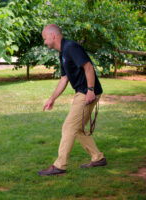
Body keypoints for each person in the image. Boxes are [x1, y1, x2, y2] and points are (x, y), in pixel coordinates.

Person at [38, 24, 107, 176]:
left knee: (69, 127)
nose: (44, 42)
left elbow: (88, 67)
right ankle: (98, 158)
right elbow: (64, 78)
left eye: (45, 39)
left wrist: (90, 90)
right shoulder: (62, 52)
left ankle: (60, 165)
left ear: (52, 36)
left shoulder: (70, 47)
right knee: (77, 129)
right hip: (82, 92)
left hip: (86, 92)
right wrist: (52, 99)